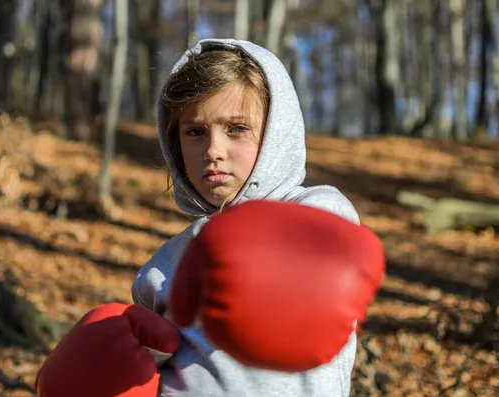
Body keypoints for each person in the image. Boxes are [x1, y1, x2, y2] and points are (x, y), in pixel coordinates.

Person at [34, 38, 385, 397]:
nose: (213, 150)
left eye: (236, 128)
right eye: (196, 132)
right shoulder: (163, 264)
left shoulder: (318, 211)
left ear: (276, 134)